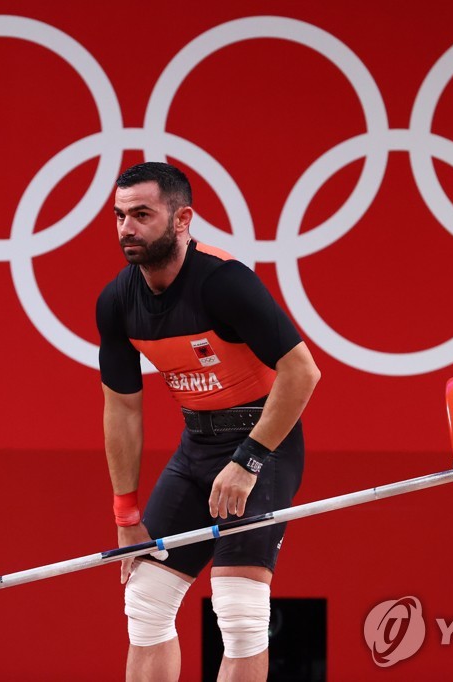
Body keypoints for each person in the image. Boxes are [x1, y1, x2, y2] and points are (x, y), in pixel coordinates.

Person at [96, 161, 320, 681]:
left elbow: (302, 372)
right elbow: (123, 408)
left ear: (182, 219)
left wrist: (249, 460)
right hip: (196, 447)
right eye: (119, 215)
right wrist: (126, 513)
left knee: (239, 613)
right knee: (146, 601)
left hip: (265, 444)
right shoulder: (116, 302)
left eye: (142, 214)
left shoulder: (224, 284)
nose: (127, 227)